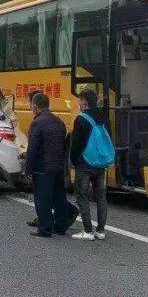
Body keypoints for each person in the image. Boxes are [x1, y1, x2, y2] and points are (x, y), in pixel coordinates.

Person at [26, 91, 78, 237]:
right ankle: (61, 226)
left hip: (42, 167)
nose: (30, 107)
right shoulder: (59, 121)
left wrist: (28, 169)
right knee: (58, 196)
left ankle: (45, 228)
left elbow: (32, 149)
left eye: (30, 104)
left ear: (35, 106)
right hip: (58, 166)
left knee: (42, 199)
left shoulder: (37, 123)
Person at [68, 88, 108, 240]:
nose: (78, 103)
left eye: (79, 100)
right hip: (100, 163)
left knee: (82, 195)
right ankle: (101, 231)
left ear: (84, 102)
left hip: (84, 164)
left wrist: (74, 161)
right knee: (101, 197)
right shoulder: (102, 117)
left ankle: (88, 231)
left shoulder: (81, 119)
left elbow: (76, 144)